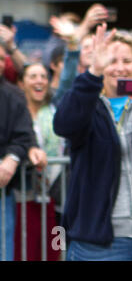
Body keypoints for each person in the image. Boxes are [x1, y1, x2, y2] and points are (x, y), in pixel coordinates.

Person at [53, 24, 132, 261]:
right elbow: (63, 125)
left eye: (127, 60)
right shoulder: (85, 100)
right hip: (98, 244)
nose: (120, 67)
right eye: (112, 60)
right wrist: (92, 73)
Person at [0, 43, 47, 261]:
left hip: (3, 191)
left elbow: (25, 135)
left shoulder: (13, 95)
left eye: (2, 59)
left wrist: (12, 159)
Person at [14, 63, 65, 261]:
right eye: (33, 76)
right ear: (21, 83)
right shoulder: (15, 113)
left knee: (53, 250)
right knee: (24, 252)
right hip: (21, 197)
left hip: (54, 196)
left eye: (44, 76)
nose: (39, 81)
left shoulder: (55, 111)